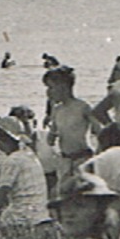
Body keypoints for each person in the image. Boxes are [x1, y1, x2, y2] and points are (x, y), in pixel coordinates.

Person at [0, 114, 51, 228]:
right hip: (41, 214)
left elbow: (1, 199)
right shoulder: (29, 154)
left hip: (21, 217)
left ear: (2, 139)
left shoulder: (12, 160)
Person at [41, 65, 95, 194]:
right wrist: (52, 134)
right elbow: (50, 140)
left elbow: (99, 131)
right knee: (65, 194)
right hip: (65, 160)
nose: (48, 92)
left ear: (63, 86)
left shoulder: (82, 107)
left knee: (84, 194)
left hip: (82, 157)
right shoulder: (57, 110)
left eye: (51, 87)